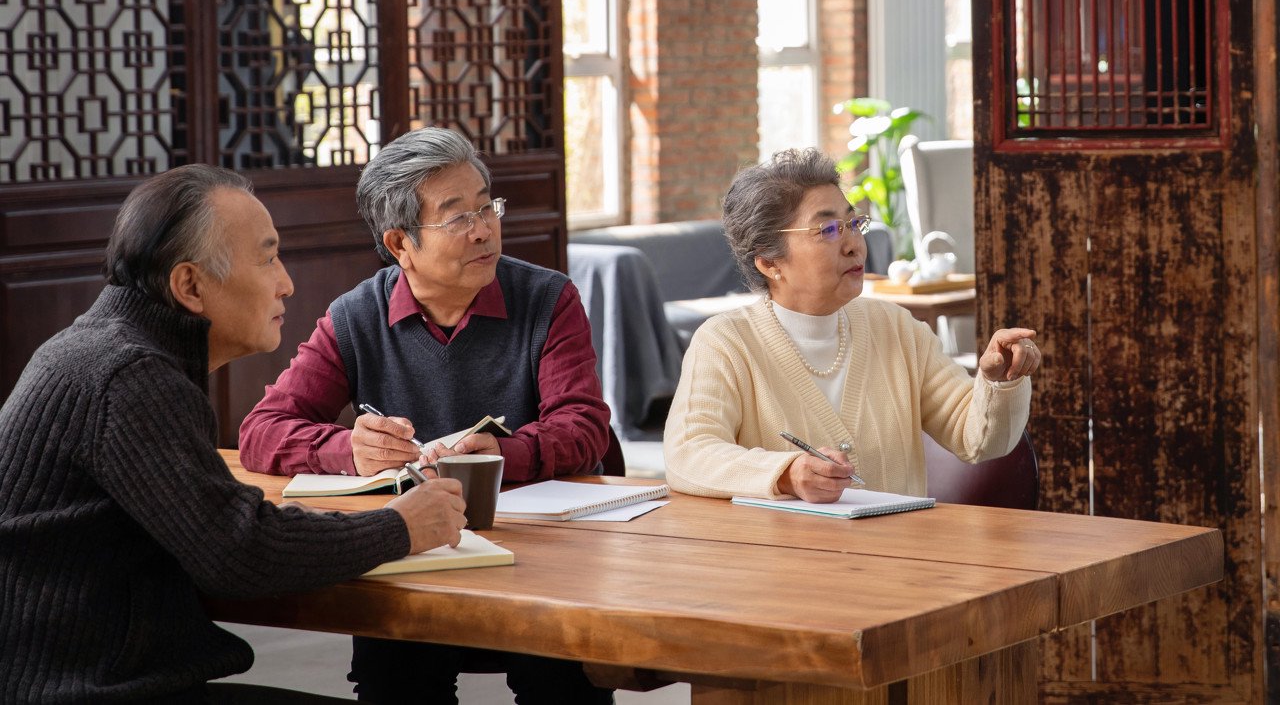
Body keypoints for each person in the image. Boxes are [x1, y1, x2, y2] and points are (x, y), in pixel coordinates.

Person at [0, 165, 468, 704]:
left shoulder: (103, 352)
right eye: (267, 258)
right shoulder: (128, 377)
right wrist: (400, 526)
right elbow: (238, 551)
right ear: (190, 285)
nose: (286, 282)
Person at [238, 127, 613, 704]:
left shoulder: (548, 299)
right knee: (396, 680)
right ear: (400, 244)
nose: (485, 228)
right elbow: (262, 430)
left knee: (561, 682)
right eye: (456, 216)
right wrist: (351, 450)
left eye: (487, 205)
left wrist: (500, 456)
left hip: (542, 554)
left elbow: (584, 427)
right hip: (413, 551)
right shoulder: (357, 316)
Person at [662, 148, 1041, 503]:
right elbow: (689, 453)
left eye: (853, 223)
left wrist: (997, 382)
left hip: (897, 561)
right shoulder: (726, 343)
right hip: (784, 566)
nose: (854, 245)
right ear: (768, 262)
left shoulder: (895, 328)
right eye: (828, 231)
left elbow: (978, 439)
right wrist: (785, 474)